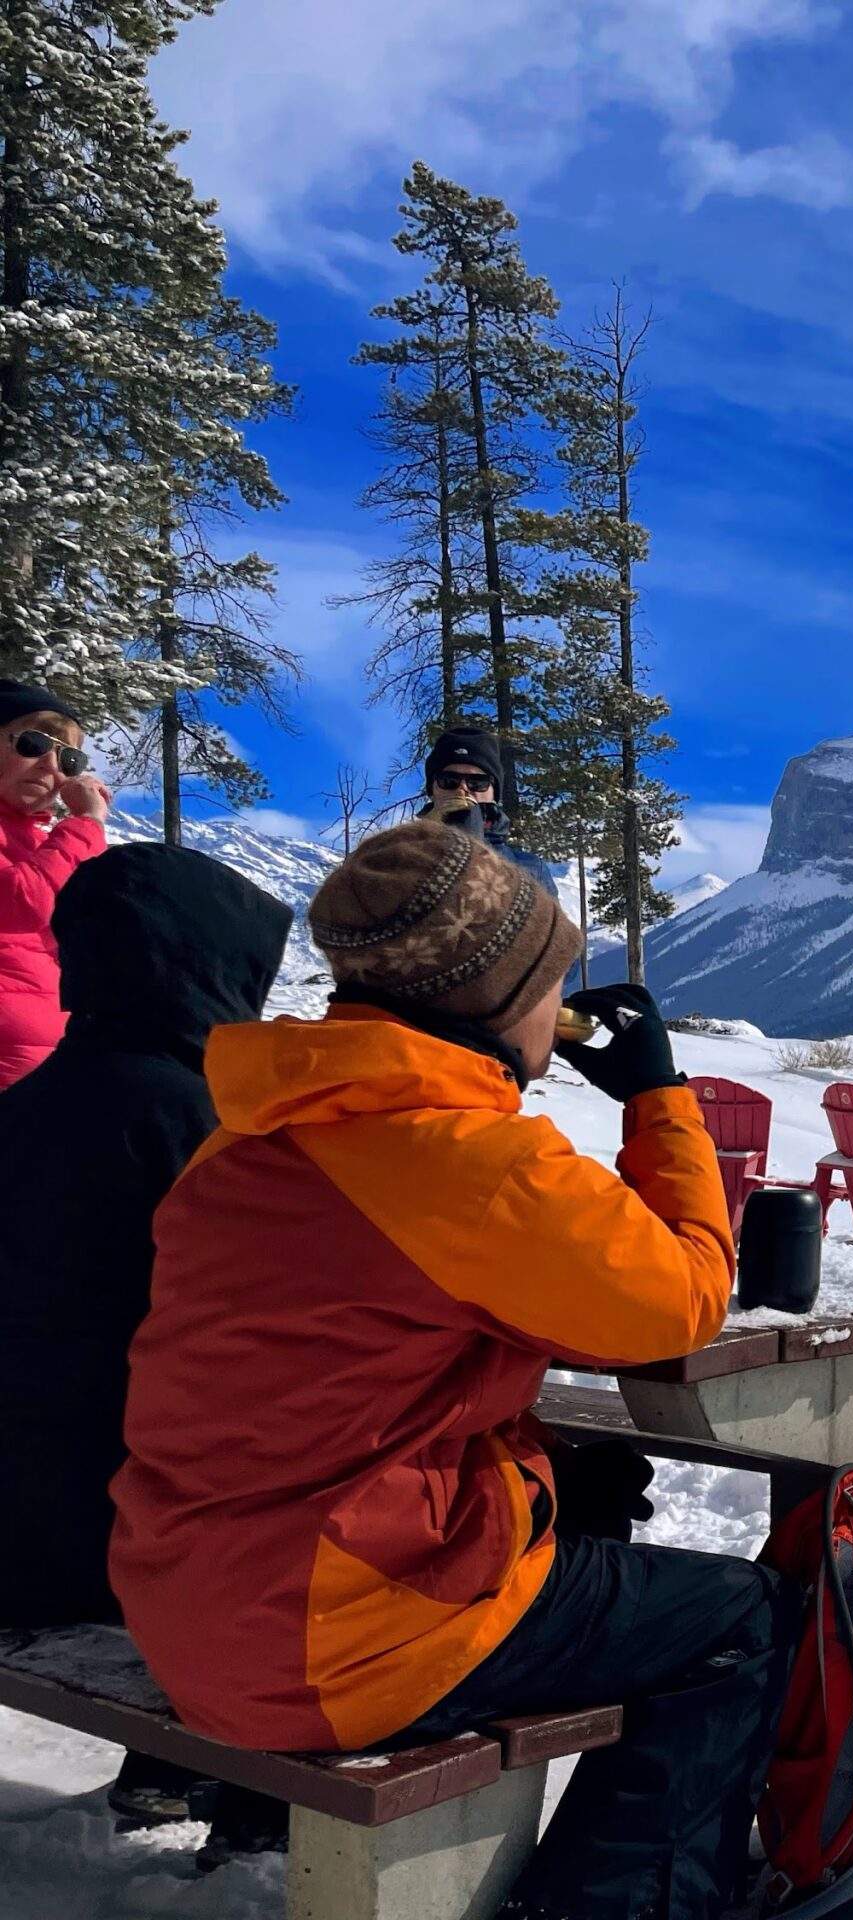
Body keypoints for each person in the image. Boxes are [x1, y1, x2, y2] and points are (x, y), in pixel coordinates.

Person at [111, 820, 797, 1920]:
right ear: (494, 998)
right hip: (328, 1644)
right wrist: (657, 1101)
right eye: (551, 980)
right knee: (744, 1616)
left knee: (582, 1495)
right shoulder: (473, 1164)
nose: (560, 1004)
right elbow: (675, 1307)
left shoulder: (248, 1137)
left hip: (189, 1592)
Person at [0, 843, 292, 1838]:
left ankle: (170, 1771)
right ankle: (261, 1816)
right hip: (120, 1553)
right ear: (202, 965)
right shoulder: (205, 1128)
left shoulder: (25, 1109)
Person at [0, 680, 112, 1089]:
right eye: (32, 744)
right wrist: (85, 824)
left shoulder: (46, 844)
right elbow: (22, 902)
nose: (51, 766)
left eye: (69, 759)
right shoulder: (68, 840)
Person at [418, 725, 558, 896]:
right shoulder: (399, 856)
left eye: (477, 782)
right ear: (432, 791)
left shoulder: (531, 869)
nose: (462, 789)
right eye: (449, 780)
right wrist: (423, 841)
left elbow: (549, 923)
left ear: (494, 794)